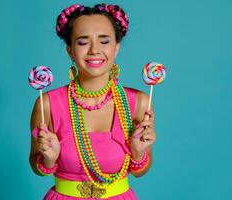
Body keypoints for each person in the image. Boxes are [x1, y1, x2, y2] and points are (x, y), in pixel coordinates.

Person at [29, 3, 156, 200]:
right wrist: (48, 159)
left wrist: (138, 153)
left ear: (116, 48)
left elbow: (140, 171)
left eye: (104, 41)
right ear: (70, 50)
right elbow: (37, 168)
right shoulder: (47, 104)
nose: (94, 50)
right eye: (82, 42)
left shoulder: (139, 102)